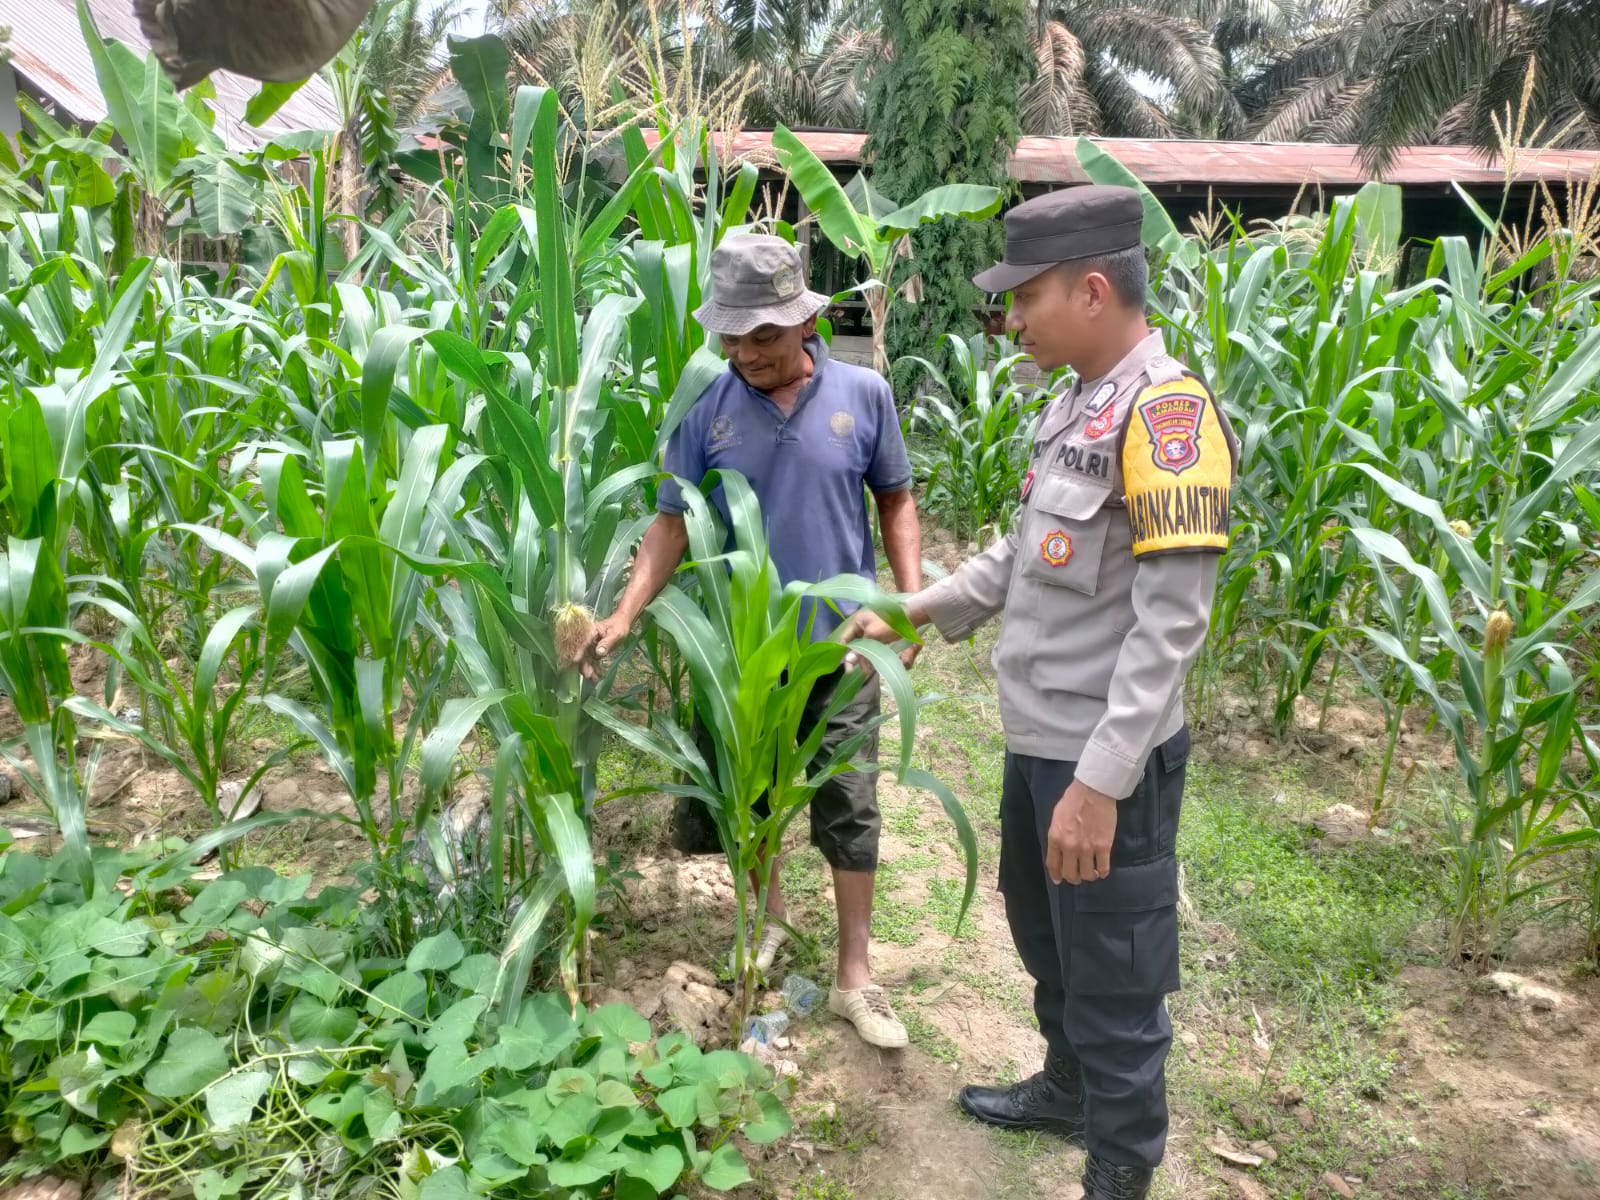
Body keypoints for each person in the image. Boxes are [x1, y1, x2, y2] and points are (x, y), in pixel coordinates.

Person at [838, 185, 1239, 1200]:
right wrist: (912, 607)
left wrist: (1101, 782)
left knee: (1115, 964)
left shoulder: (1168, 417)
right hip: (1038, 739)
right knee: (1043, 931)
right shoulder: (1073, 405)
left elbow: (1169, 626)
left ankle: (1121, 1160)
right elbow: (1020, 560)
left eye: (1026, 297)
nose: (1012, 318)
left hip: (1107, 754)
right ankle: (1067, 1091)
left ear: (1092, 290)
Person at [580, 233, 924, 1050]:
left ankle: (853, 977)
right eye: (731, 335)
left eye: (762, 335)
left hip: (842, 651)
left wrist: (906, 607)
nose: (745, 352)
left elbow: (897, 503)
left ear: (804, 321)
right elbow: (669, 525)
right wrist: (624, 614)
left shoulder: (864, 396)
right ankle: (765, 928)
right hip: (740, 655)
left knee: (849, 805)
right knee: (751, 804)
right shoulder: (707, 409)